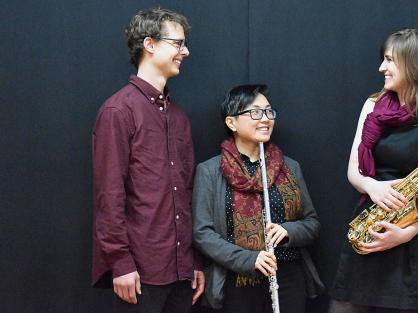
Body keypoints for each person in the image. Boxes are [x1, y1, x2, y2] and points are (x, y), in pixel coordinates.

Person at [329, 27, 418, 312]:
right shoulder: (372, 106)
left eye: (389, 60)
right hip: (370, 229)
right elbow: (354, 169)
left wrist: (406, 233)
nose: (381, 68)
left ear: (414, 64)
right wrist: (373, 187)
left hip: (413, 240)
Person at [91, 7, 204, 313]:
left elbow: (187, 192)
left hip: (182, 271)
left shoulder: (179, 117)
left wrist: (192, 260)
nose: (186, 52)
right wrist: (121, 262)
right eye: (178, 44)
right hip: (140, 271)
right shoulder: (118, 111)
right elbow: (109, 194)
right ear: (150, 44)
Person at [192, 84, 324, 313]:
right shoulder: (209, 171)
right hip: (238, 281)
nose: (265, 119)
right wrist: (248, 259)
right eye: (255, 112)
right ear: (231, 122)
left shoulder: (290, 167)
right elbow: (202, 233)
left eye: (269, 112)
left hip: (289, 278)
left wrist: (288, 231)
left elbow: (312, 224)